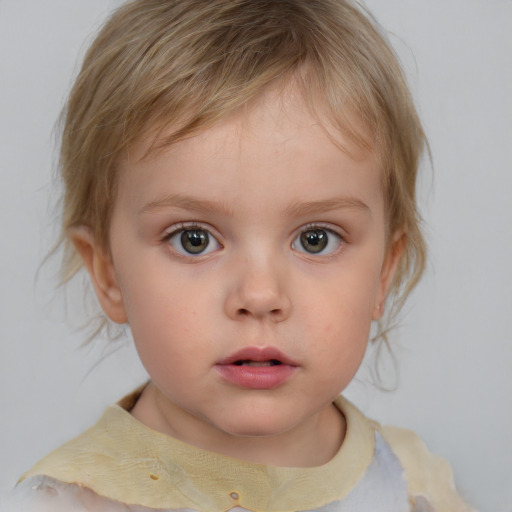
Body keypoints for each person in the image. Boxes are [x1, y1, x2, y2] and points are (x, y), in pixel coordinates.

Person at [3, 0, 475, 510]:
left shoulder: (413, 486)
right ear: (107, 272)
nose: (260, 295)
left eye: (316, 238)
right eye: (194, 239)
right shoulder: (67, 502)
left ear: (385, 270)